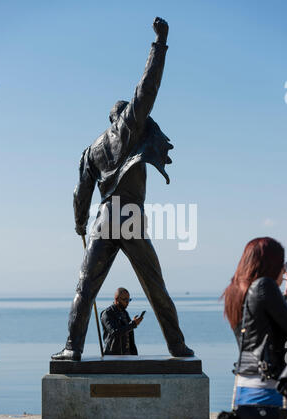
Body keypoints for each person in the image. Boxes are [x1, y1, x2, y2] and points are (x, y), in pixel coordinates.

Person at [51, 17, 193, 361]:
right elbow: (148, 88)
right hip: (129, 217)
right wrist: (159, 44)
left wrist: (79, 222)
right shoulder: (129, 128)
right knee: (155, 286)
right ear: (124, 117)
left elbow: (79, 194)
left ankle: (72, 347)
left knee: (85, 288)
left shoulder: (91, 150)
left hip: (102, 220)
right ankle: (177, 347)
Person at [222, 236, 287, 419]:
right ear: (271, 265)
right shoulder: (264, 285)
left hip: (248, 385)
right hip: (269, 387)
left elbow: (266, 331)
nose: (284, 270)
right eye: (283, 265)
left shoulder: (236, 292)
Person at [100, 288, 142, 355]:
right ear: (116, 299)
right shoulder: (107, 314)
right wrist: (133, 324)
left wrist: (134, 354)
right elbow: (114, 332)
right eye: (125, 300)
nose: (127, 302)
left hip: (127, 355)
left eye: (129, 300)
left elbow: (128, 334)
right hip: (112, 356)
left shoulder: (125, 313)